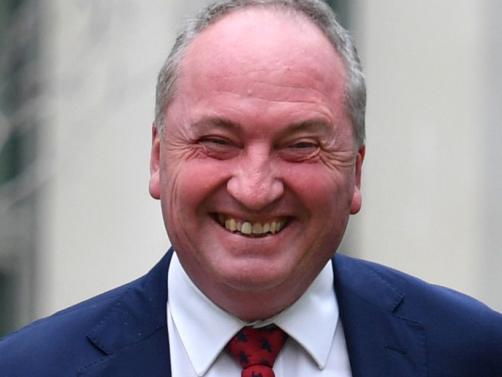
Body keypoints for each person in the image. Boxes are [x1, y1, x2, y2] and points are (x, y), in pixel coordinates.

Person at [1, 0, 501, 376]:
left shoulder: (473, 353)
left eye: (301, 145)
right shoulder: (30, 369)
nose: (255, 189)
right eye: (218, 142)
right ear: (158, 159)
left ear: (356, 171)